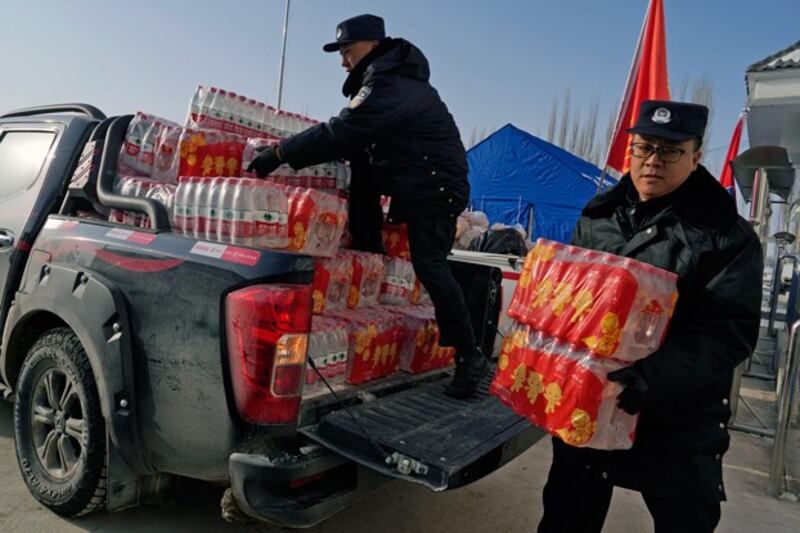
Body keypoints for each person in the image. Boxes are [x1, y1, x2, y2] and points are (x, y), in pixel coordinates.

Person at [537, 100, 763, 533]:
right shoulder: (598, 216)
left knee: (685, 518)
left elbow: (728, 331)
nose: (653, 161)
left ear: (697, 157)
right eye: (643, 148)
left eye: (670, 151)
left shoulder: (725, 234)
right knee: (567, 513)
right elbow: (574, 301)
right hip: (594, 401)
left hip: (677, 411)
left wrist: (654, 376)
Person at [247, 14, 487, 398]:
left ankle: (468, 356)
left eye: (348, 50)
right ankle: (368, 245)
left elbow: (344, 129)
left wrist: (279, 153)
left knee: (430, 264)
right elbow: (352, 139)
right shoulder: (387, 78)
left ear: (373, 44)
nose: (343, 61)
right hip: (417, 177)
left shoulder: (393, 84)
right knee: (358, 157)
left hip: (435, 186)